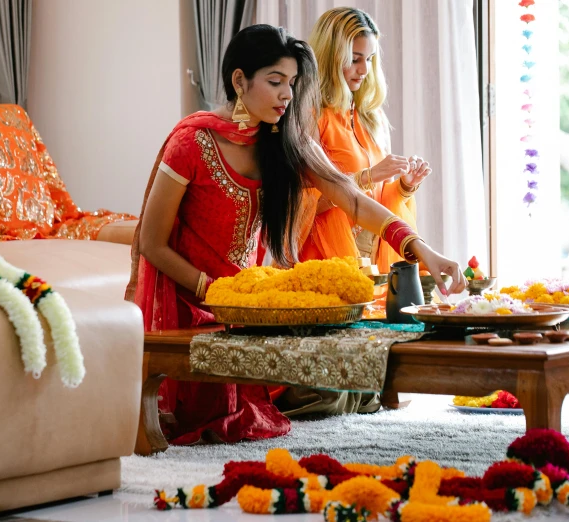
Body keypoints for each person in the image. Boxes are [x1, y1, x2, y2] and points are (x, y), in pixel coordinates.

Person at [125, 24, 465, 445]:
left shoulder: (286, 143)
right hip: (191, 308)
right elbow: (150, 243)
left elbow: (354, 201)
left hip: (249, 312)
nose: (287, 95)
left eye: (291, 84)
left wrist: (422, 250)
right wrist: (212, 290)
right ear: (239, 80)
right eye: (274, 82)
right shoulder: (192, 143)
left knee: (342, 379)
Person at [278, 7, 434, 418]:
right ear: (332, 56)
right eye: (355, 58)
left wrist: (402, 186)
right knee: (337, 394)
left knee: (364, 390)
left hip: (366, 255)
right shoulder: (309, 116)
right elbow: (302, 200)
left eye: (370, 58)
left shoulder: (368, 117)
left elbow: (375, 200)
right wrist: (365, 177)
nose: (364, 69)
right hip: (324, 256)